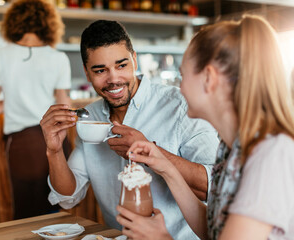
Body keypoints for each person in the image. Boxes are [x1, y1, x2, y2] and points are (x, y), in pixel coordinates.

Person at [116, 15, 294, 239]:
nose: (179, 88)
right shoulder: (231, 148)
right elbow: (215, 230)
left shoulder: (271, 155)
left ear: (208, 78)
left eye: (183, 75)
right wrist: (166, 168)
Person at [40, 20, 219, 239]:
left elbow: (214, 187)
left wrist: (151, 153)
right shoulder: (90, 118)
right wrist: (54, 151)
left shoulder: (181, 106)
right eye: (100, 70)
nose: (113, 79)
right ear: (87, 74)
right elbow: (69, 196)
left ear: (134, 60)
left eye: (121, 65)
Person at [0, 0, 71, 219]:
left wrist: (12, 99)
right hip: (56, 139)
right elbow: (65, 108)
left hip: (22, 144)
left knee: (26, 214)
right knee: (56, 210)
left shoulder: (0, 55)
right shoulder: (59, 58)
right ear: (49, 24)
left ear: (13, 22)